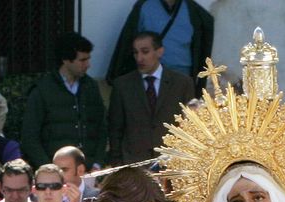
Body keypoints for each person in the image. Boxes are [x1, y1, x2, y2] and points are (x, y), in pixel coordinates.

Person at [106, 31, 194, 167]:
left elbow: (189, 126)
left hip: (171, 161)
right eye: (136, 53)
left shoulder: (181, 83)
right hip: (134, 162)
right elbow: (115, 127)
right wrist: (117, 163)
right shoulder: (123, 85)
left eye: (145, 52)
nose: (139, 58)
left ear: (159, 52)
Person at [20, 33, 105, 167]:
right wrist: (49, 169)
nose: (88, 65)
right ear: (66, 60)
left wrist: (97, 163)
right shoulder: (43, 90)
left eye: (88, 59)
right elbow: (29, 137)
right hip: (55, 170)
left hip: (88, 168)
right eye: (82, 60)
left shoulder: (91, 87)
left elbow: (101, 128)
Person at [106, 0, 212, 81]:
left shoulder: (194, 11)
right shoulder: (144, 7)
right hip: (149, 75)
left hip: (182, 76)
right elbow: (127, 41)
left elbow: (204, 46)